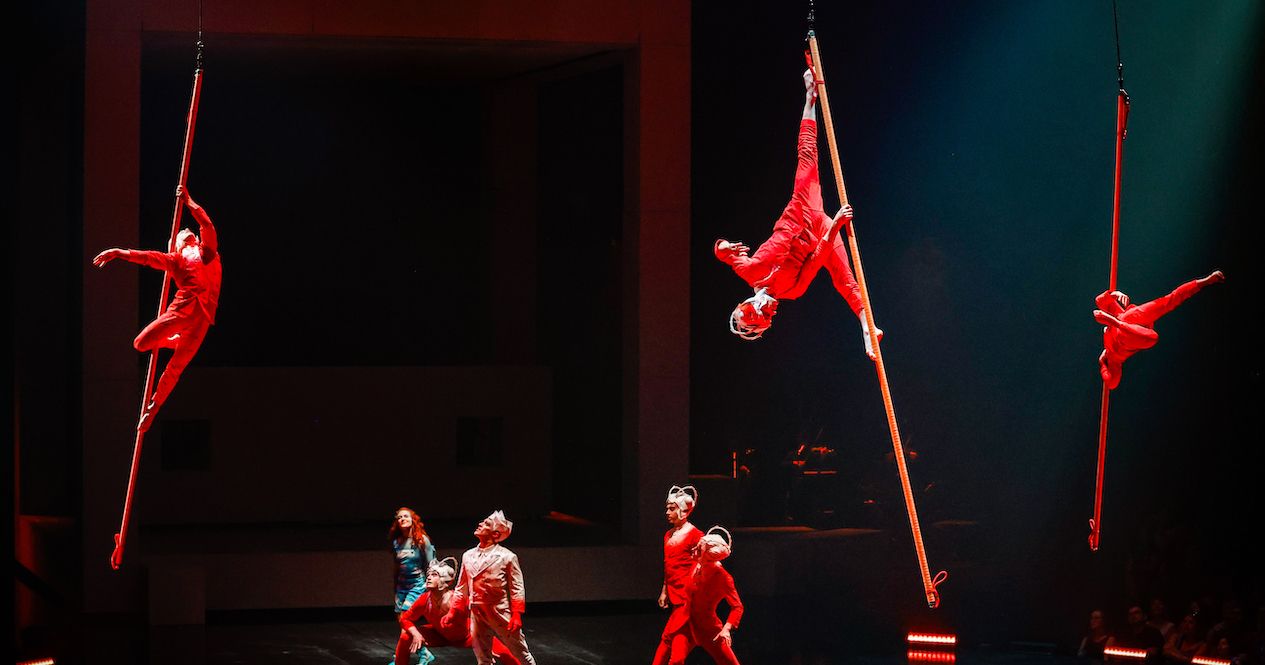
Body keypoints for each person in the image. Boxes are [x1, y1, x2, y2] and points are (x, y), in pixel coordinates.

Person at [713, 68, 880, 355]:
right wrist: (835, 224)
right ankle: (867, 325)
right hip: (822, 229)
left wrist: (725, 247)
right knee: (843, 277)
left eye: (765, 312)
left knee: (807, 154)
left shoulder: (750, 271)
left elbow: (723, 253)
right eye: (770, 316)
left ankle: (809, 98)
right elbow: (818, 258)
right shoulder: (793, 291)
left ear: (752, 305)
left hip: (802, 208)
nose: (772, 310)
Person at [92, 186, 223, 432]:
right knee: (140, 343)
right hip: (181, 312)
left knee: (175, 368)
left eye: (187, 232)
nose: (185, 232)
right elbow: (147, 258)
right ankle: (171, 341)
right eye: (180, 235)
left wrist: (188, 201)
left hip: (202, 318)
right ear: (175, 246)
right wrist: (120, 253)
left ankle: (154, 407)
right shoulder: (175, 260)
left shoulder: (209, 253)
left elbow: (206, 224)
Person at [1094, 270, 1224, 390]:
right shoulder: (1113, 359)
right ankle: (1117, 323)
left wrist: (1115, 295)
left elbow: (1099, 300)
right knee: (1154, 334)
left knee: (1165, 307)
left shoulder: (1113, 358)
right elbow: (1112, 383)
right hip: (1133, 330)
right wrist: (1102, 363)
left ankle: (1117, 323)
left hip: (1128, 321)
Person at [444, 511, 536, 665]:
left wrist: (517, 614)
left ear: (495, 534)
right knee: (482, 655)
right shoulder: (468, 555)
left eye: (486, 523)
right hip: (476, 610)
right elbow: (461, 586)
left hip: (498, 610)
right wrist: (453, 611)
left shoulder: (506, 556)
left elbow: (517, 586)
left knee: (519, 650)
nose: (480, 524)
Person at [394, 558, 520, 665]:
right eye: (428, 575)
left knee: (504, 653)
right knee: (406, 636)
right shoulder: (425, 600)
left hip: (468, 635)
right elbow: (405, 619)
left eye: (434, 575)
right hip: (439, 634)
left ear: (446, 581)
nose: (429, 578)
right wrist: (416, 633)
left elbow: (481, 611)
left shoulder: (457, 599)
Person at [669, 526, 744, 665]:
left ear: (708, 555)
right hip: (686, 624)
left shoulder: (723, 578)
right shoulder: (694, 567)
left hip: (708, 628)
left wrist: (727, 628)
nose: (694, 550)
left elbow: (737, 607)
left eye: (699, 549)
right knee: (676, 661)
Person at [651, 486, 704, 665]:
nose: (667, 512)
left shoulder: (695, 535)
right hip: (676, 596)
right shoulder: (668, 535)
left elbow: (702, 566)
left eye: (672, 509)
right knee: (675, 644)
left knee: (669, 638)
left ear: (683, 510)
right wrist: (664, 591)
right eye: (667, 508)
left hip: (687, 598)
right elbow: (669, 565)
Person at [390, 508, 435, 665]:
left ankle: (399, 658)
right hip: (402, 585)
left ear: (413, 519)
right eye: (399, 517)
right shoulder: (397, 542)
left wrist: (430, 586)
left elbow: (431, 564)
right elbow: (397, 566)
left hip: (417, 584)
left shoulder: (421, 540)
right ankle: (424, 653)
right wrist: (395, 586)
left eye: (405, 516)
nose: (402, 519)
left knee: (405, 618)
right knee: (401, 620)